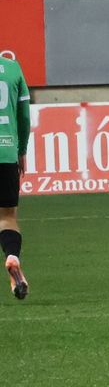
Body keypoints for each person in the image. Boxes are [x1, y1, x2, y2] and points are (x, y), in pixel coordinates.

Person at [0, 49, 31, 300]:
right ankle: (12, 256)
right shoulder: (12, 68)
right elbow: (24, 116)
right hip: (6, 151)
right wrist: (21, 150)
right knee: (7, 218)